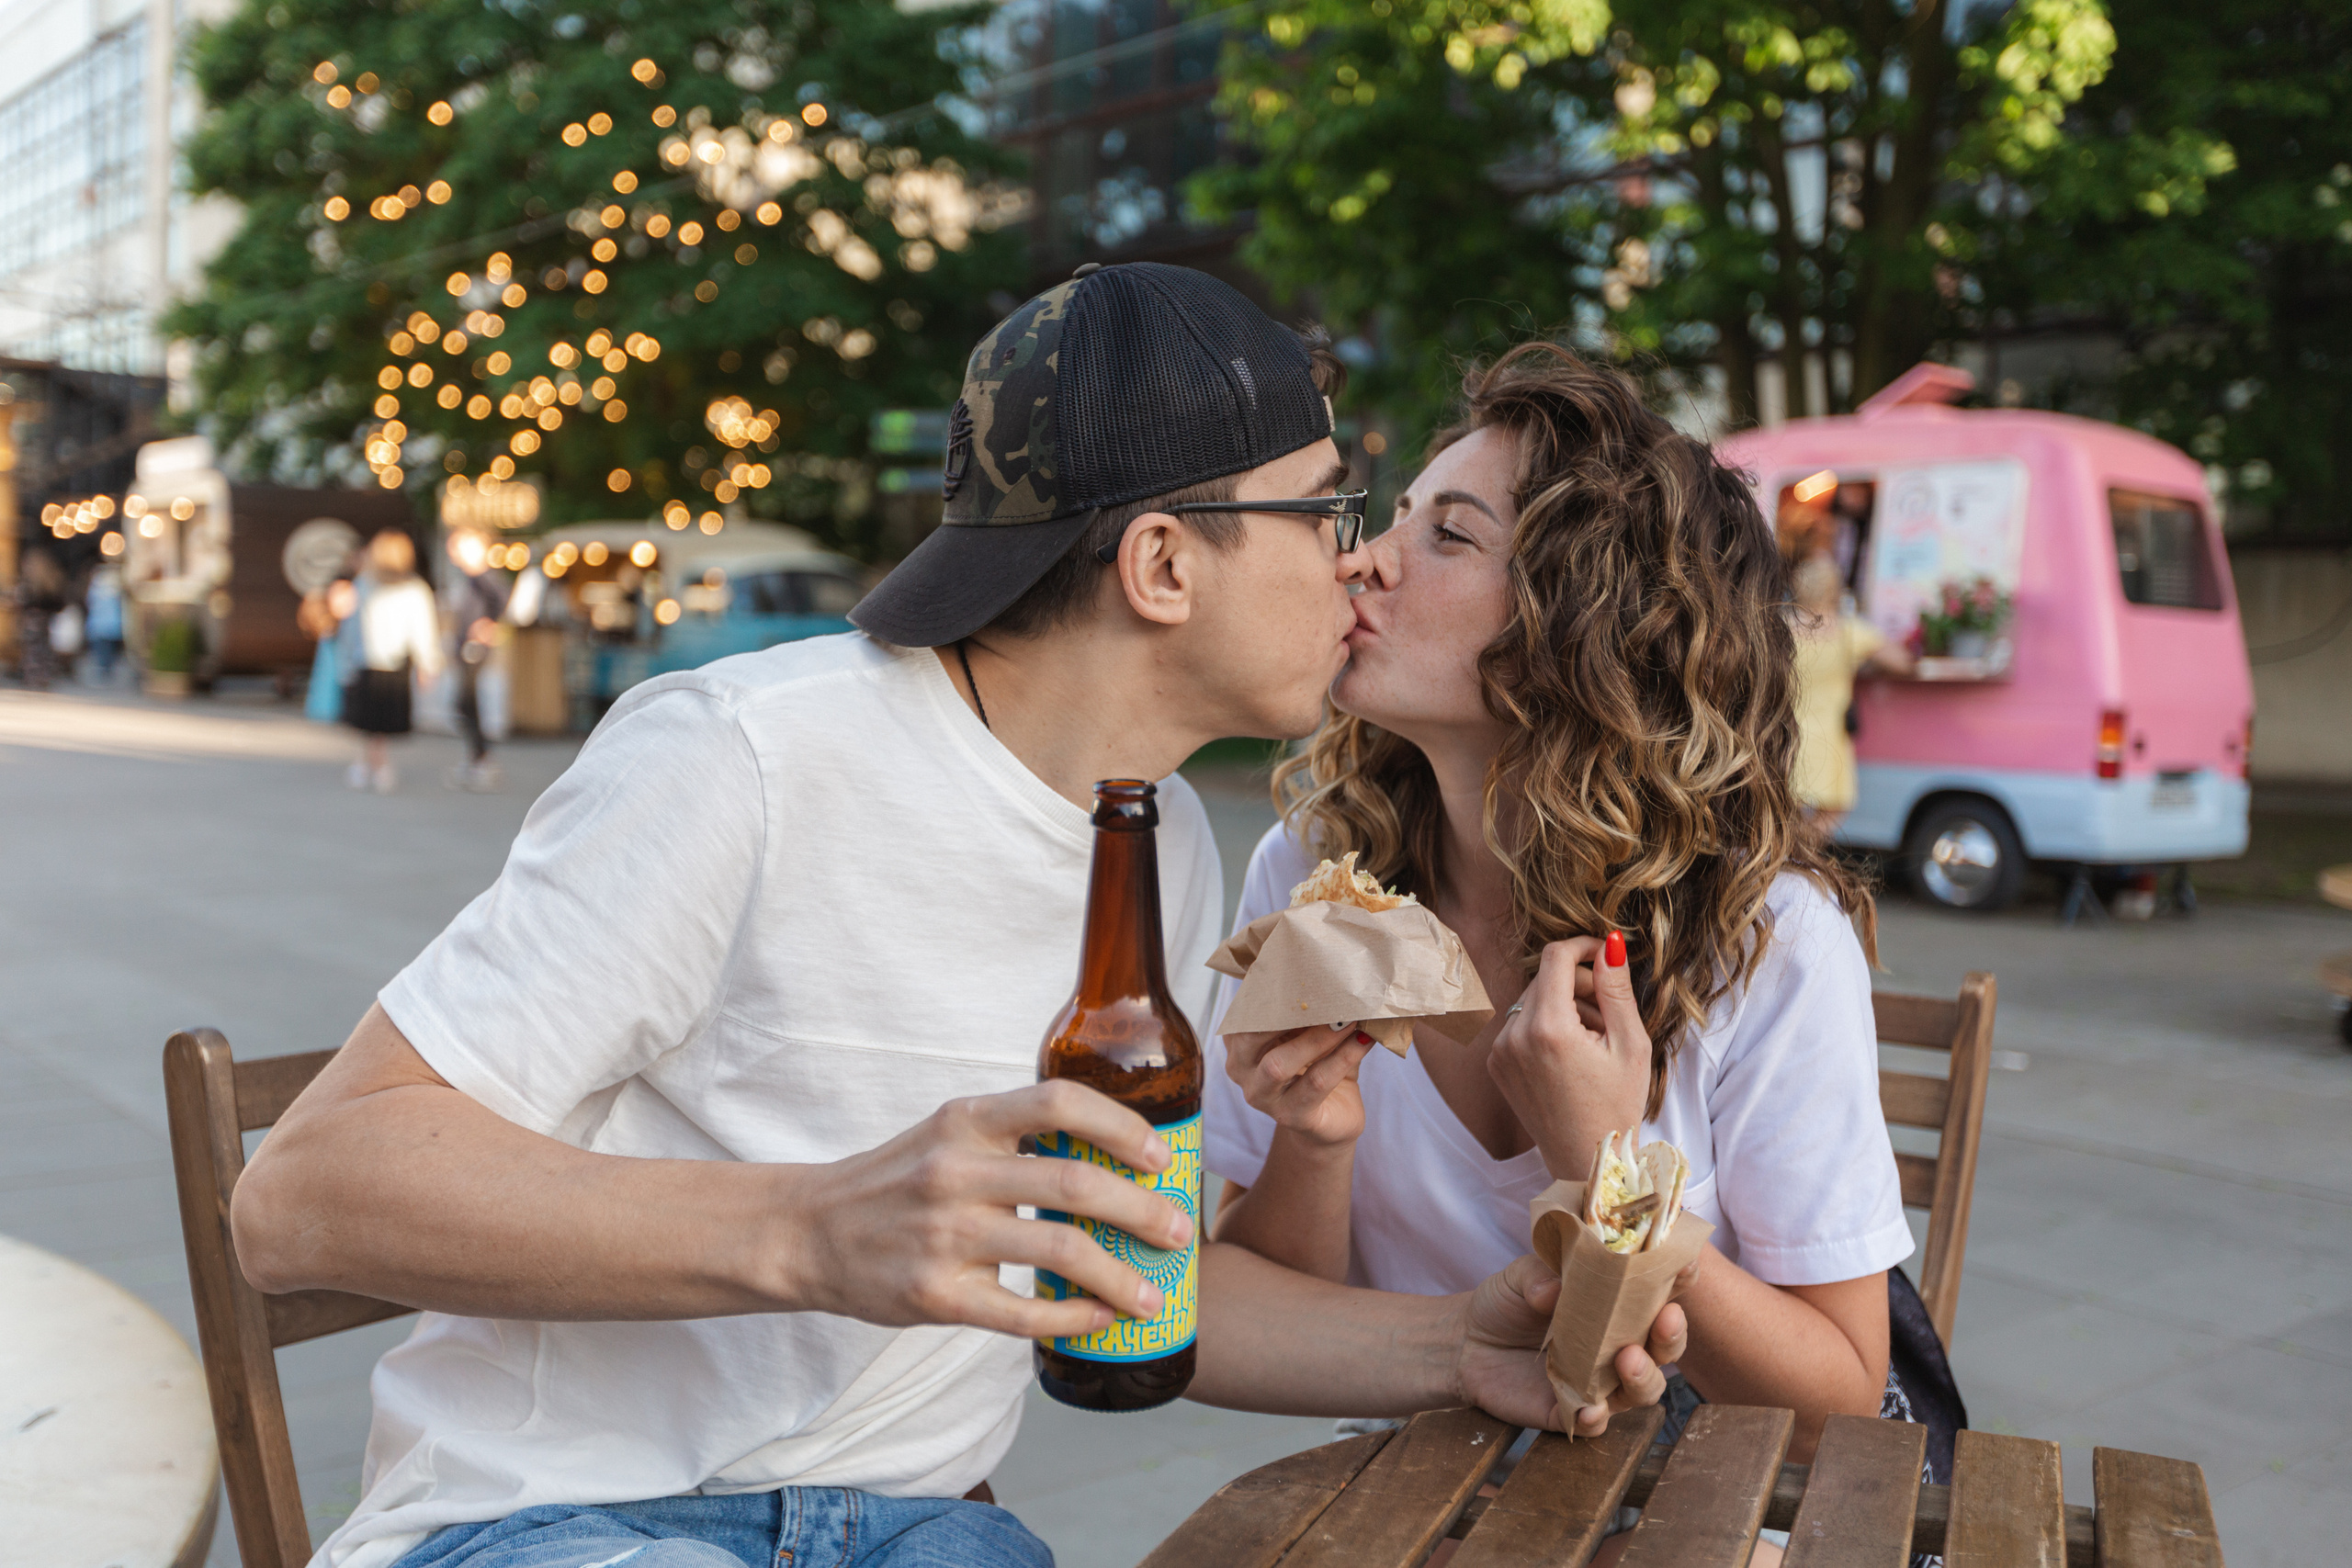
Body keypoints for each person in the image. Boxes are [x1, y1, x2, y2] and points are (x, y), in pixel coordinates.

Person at [231, 267, 1688, 1568]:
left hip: (922, 1524)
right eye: (1329, 511)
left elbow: (1142, 1279)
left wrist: (1461, 1342)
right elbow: (301, 1194)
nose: (1360, 561)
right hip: (565, 1514)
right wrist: (811, 1227)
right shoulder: (742, 755)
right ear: (1164, 565)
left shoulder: (1161, 835)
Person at [1205, 345, 1942, 1522]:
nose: (1363, 562)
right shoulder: (1309, 877)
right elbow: (1262, 1310)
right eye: (1392, 520)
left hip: (1693, 1509)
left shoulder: (1764, 939)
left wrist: (1608, 1172)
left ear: (1589, 627)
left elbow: (1841, 1404)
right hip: (1414, 1499)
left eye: (1446, 536)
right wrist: (1318, 1134)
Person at [1789, 551, 1911, 829]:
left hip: (1787, 732)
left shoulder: (1783, 628)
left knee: (1788, 811)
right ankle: (1801, 859)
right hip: (1829, 734)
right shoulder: (1848, 631)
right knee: (1832, 809)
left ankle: (1790, 860)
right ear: (1834, 588)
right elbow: (1902, 663)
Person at [340, 528, 445, 793]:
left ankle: (371, 764)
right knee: (374, 720)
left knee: (372, 720)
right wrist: (428, 663)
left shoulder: (373, 585)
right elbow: (423, 630)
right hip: (385, 662)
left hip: (375, 661)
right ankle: (374, 764)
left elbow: (352, 629)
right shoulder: (374, 585)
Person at [440, 527, 510, 793]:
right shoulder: (471, 579)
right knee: (463, 703)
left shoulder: (483, 576)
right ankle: (477, 757)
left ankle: (481, 758)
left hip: (473, 648)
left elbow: (501, 599)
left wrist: (488, 625)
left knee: (467, 702)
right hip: (465, 647)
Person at [14, 548, 66, 691]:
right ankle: (43, 677)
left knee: (32, 650)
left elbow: (25, 602)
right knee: (43, 649)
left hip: (32, 620)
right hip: (46, 620)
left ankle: (33, 677)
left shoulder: (31, 583)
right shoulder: (50, 580)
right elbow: (58, 602)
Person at [84, 558, 126, 684]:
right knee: (106, 647)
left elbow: (90, 601)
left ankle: (104, 667)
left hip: (103, 622)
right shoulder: (113, 585)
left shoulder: (98, 585)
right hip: (108, 622)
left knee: (103, 646)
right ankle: (106, 667)